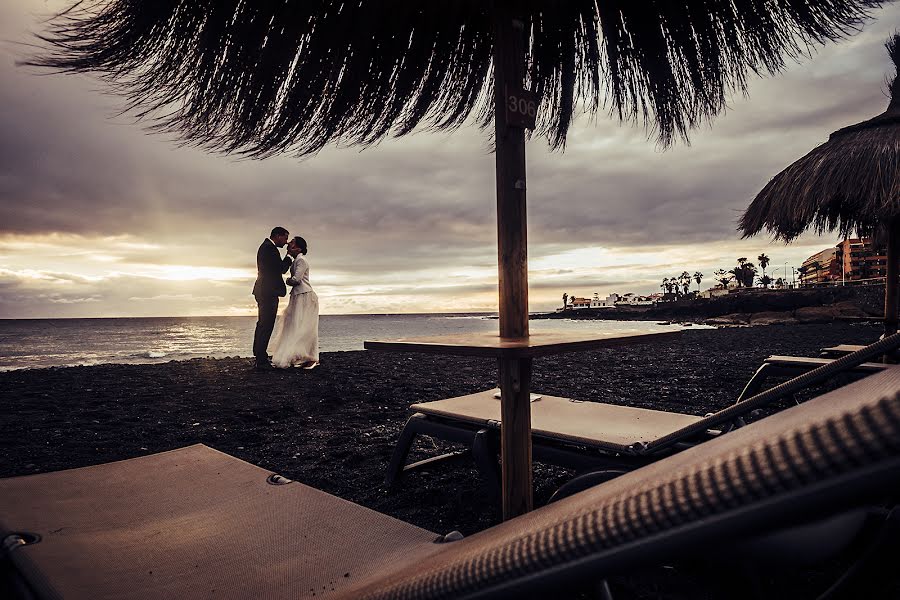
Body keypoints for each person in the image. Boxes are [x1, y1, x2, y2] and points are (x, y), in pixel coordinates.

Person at [272, 236, 320, 369]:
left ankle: (311, 357)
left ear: (298, 248)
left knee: (304, 326)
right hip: (298, 295)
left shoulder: (301, 260)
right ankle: (299, 356)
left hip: (304, 296)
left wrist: (288, 280)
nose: (288, 243)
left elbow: (296, 279)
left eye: (292, 242)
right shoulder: (296, 261)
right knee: (295, 325)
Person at [251, 226, 293, 370]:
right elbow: (281, 269)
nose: (286, 241)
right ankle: (261, 360)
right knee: (266, 325)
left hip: (263, 290)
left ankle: (259, 356)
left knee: (263, 324)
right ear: (278, 236)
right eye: (285, 238)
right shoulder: (269, 249)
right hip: (267, 292)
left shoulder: (266, 247)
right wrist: (289, 256)